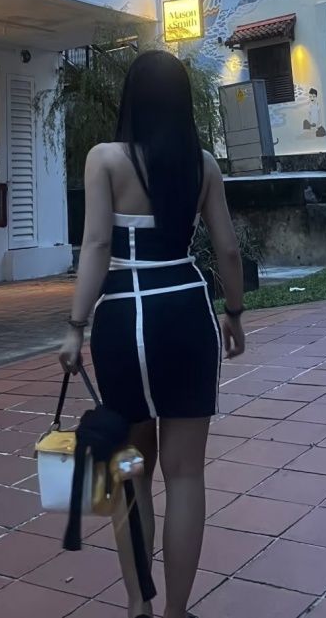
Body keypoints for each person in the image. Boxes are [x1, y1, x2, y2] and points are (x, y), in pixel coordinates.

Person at [59, 50, 245, 618]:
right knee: (185, 475)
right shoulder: (202, 165)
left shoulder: (104, 159)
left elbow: (96, 246)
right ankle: (177, 611)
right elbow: (228, 248)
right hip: (185, 311)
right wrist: (235, 313)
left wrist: (75, 327)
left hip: (123, 319)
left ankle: (138, 604)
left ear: (132, 100)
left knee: (131, 470)